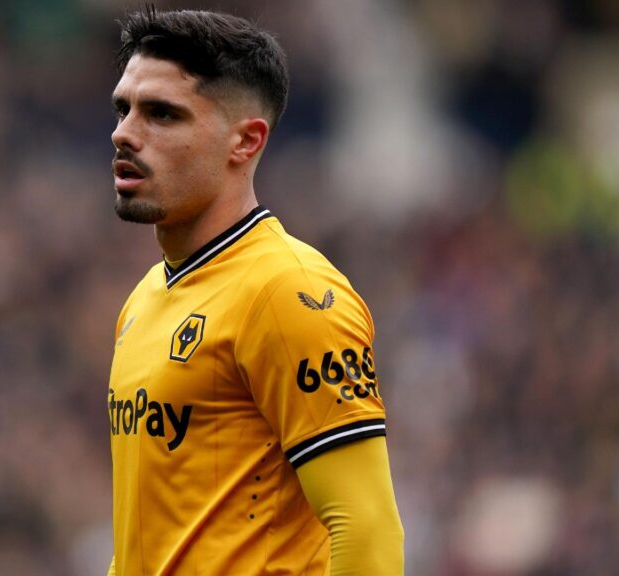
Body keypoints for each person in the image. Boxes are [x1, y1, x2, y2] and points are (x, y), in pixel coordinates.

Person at [106, 7, 404, 575]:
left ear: (245, 141)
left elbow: (367, 526)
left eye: (161, 114)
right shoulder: (143, 300)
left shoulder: (290, 292)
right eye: (124, 109)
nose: (124, 133)